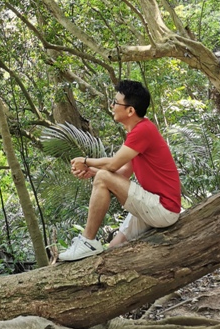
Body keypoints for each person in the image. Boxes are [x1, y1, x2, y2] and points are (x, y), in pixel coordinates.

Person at [59, 80, 181, 262]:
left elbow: (112, 165)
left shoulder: (143, 130)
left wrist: (85, 161)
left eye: (115, 102)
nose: (112, 106)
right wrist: (92, 171)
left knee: (103, 176)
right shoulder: (139, 131)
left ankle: (87, 241)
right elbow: (124, 172)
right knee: (113, 250)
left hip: (163, 208)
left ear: (130, 110)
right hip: (155, 204)